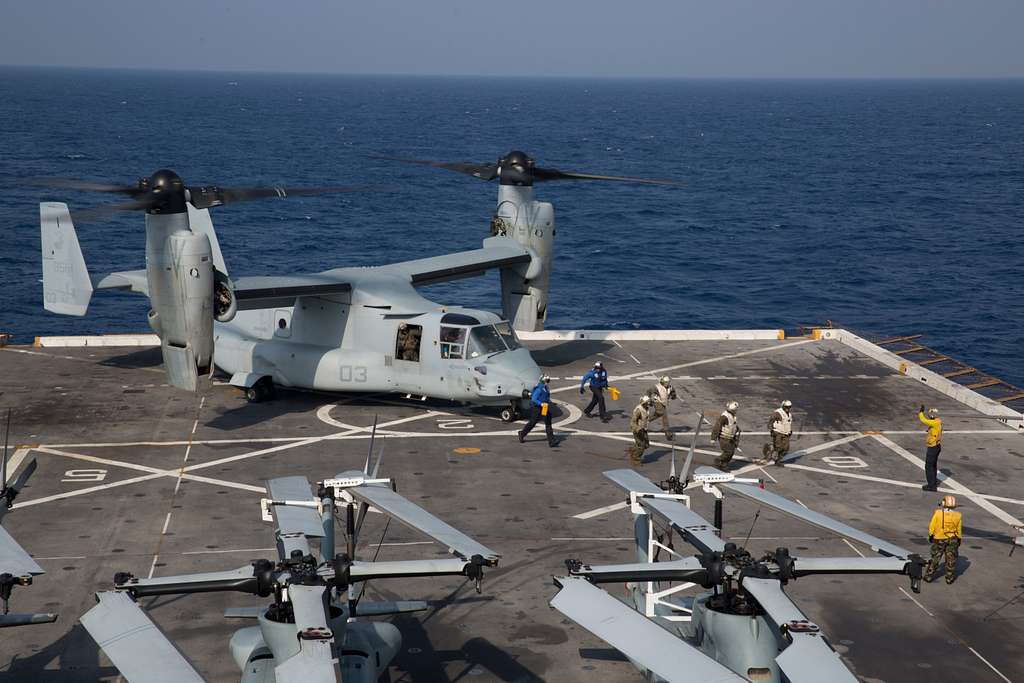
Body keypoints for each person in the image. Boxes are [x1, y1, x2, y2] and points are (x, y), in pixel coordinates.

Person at [925, 495, 962, 584]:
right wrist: (959, 539)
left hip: (939, 539)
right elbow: (959, 529)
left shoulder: (938, 513)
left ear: (944, 503)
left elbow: (932, 526)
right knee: (950, 559)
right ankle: (949, 578)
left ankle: (929, 576)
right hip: (953, 539)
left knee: (935, 558)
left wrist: (931, 535)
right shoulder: (958, 515)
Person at [518, 375, 557, 447]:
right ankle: (522, 433)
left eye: (548, 381)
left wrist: (546, 403)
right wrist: (541, 403)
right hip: (537, 408)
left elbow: (546, 397)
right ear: (543, 381)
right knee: (533, 422)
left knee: (548, 422)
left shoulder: (545, 388)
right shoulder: (539, 389)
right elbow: (533, 399)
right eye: (547, 381)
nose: (548, 382)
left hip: (544, 407)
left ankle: (551, 441)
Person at [710, 401, 741, 471]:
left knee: (731, 452)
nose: (736, 411)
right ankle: (719, 460)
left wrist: (737, 429)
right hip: (723, 438)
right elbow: (717, 426)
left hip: (730, 438)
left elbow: (731, 425)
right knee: (728, 451)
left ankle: (724, 464)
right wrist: (713, 438)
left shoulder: (733, 416)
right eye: (735, 410)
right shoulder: (724, 416)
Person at [762, 400, 793, 467]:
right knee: (778, 447)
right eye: (786, 407)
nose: (788, 408)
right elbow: (771, 421)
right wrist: (772, 430)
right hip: (778, 432)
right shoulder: (778, 413)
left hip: (786, 433)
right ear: (783, 406)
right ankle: (773, 455)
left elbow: (788, 423)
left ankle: (777, 459)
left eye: (789, 407)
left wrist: (790, 431)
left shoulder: (789, 414)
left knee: (785, 449)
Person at [919, 405, 942, 491]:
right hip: (937, 446)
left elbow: (923, 420)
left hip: (933, 447)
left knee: (928, 466)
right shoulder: (937, 421)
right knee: (933, 465)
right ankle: (933, 482)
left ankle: (931, 486)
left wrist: (921, 413)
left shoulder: (934, 423)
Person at [627, 395, 652, 466]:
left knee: (646, 444)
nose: (649, 403)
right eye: (648, 402)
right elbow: (633, 421)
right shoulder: (639, 410)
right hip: (638, 430)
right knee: (641, 445)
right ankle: (635, 459)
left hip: (643, 429)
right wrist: (637, 428)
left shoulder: (646, 408)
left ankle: (633, 450)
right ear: (644, 403)